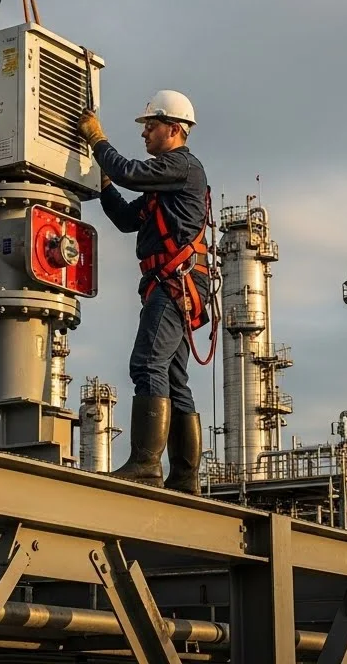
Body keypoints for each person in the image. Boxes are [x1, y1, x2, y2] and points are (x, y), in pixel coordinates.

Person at [77, 90, 210, 493]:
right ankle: (185, 478)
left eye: (150, 126)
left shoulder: (183, 167)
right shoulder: (166, 184)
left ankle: (146, 465)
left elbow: (129, 171)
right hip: (174, 284)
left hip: (174, 282)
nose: (145, 134)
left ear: (174, 129)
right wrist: (103, 184)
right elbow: (125, 218)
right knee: (172, 376)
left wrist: (97, 140)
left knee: (147, 364)